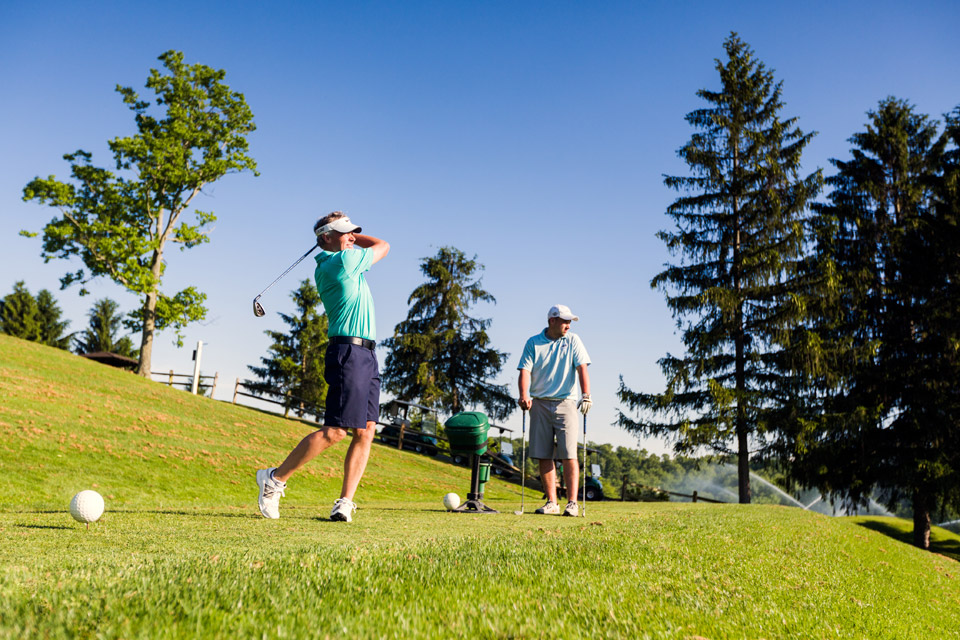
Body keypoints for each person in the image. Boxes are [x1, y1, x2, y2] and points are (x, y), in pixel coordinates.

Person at [256, 211, 389, 522]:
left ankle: (344, 502)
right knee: (335, 432)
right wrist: (356, 239)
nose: (351, 237)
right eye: (344, 233)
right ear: (325, 239)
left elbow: (371, 245)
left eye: (352, 232)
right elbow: (383, 245)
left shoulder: (344, 261)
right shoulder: (342, 263)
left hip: (366, 354)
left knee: (366, 431)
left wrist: (348, 233)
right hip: (348, 352)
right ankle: (274, 479)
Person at [517, 304, 591, 516]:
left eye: (570, 321)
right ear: (552, 321)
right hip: (539, 402)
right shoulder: (533, 342)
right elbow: (524, 370)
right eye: (565, 321)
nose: (568, 325)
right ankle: (552, 502)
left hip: (566, 403)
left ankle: (572, 503)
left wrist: (586, 395)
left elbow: (582, 368)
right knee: (543, 454)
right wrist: (524, 395)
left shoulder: (573, 340)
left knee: (569, 454)